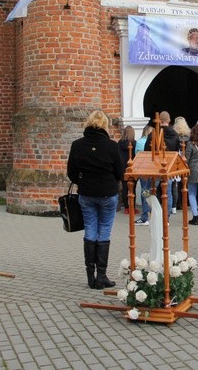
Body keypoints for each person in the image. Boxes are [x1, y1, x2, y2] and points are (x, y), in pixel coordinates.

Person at [67, 110, 125, 289]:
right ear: (105, 125)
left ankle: (90, 276)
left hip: (86, 194)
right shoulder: (112, 146)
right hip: (107, 193)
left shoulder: (77, 145)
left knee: (90, 230)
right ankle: (102, 275)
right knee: (104, 231)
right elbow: (120, 172)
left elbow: (71, 172)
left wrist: (82, 182)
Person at [144, 111, 180, 214]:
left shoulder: (154, 133)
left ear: (160, 121)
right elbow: (177, 151)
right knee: (167, 192)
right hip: (168, 166)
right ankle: (166, 217)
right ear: (169, 120)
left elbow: (147, 150)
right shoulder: (175, 135)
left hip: (155, 166)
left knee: (150, 191)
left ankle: (152, 213)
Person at [134, 125, 153, 226]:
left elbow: (136, 156)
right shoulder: (154, 141)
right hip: (153, 170)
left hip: (143, 170)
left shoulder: (140, 142)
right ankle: (152, 213)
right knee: (152, 191)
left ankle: (145, 215)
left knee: (145, 191)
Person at [117, 125, 137, 213]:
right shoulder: (134, 143)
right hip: (132, 168)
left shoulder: (119, 143)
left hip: (122, 168)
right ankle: (132, 207)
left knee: (125, 187)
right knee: (133, 188)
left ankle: (126, 207)